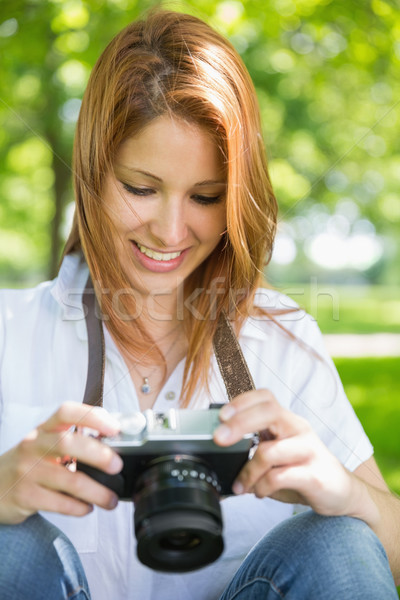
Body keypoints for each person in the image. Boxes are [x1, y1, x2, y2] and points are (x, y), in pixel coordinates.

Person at [0, 9, 398, 600]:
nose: (170, 231)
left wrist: (348, 495)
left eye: (207, 197)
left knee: (339, 541)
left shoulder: (281, 339)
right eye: (141, 188)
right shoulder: (11, 330)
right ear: (90, 173)